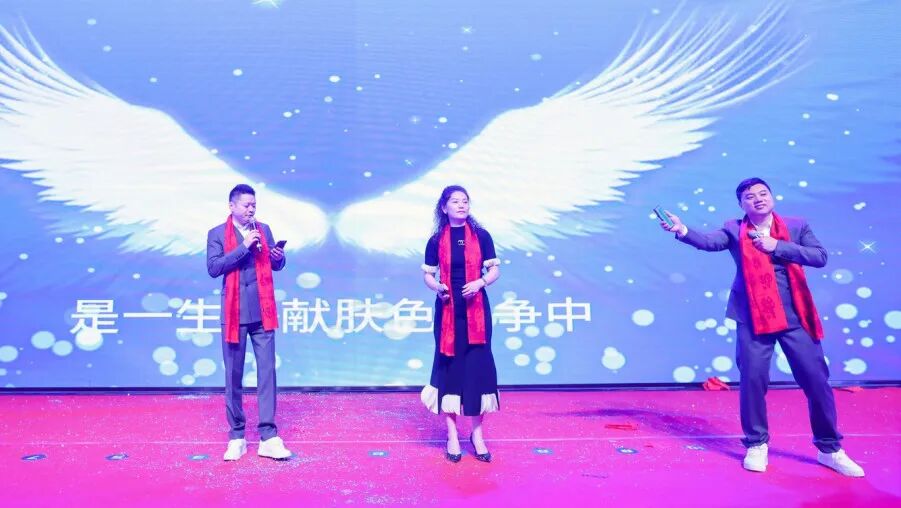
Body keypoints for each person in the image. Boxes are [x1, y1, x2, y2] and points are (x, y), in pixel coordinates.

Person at [659, 177, 864, 477]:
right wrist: (682, 230)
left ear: (772, 197)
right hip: (753, 317)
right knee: (753, 380)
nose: (758, 199)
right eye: (750, 196)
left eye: (762, 193)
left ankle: (829, 449)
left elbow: (819, 257)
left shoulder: (796, 226)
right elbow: (708, 242)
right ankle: (756, 444)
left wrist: (777, 246)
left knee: (816, 381)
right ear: (741, 204)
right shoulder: (733, 229)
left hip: (795, 317)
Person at [207, 184, 292, 461]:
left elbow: (275, 265)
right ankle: (237, 436)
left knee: (267, 372)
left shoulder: (263, 229)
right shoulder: (216, 234)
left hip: (262, 311)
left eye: (254, 204)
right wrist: (244, 247)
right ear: (232, 206)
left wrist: (278, 258)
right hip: (234, 313)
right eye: (246, 205)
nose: (251, 209)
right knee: (233, 375)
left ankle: (268, 436)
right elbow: (214, 268)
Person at [420, 185, 501, 463]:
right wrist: (438, 288)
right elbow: (428, 276)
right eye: (455, 201)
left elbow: (494, 270)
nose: (461, 205)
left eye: (465, 201)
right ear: (444, 207)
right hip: (447, 310)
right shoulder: (435, 240)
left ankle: (477, 435)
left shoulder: (481, 236)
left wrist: (480, 282)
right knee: (450, 368)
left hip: (476, 310)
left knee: (478, 368)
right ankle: (452, 435)